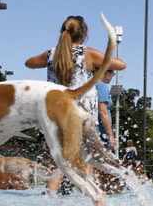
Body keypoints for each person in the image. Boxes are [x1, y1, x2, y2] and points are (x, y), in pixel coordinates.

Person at [25, 15, 125, 194]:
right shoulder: (87, 53)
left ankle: (50, 200)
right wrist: (99, 63)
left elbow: (29, 63)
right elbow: (121, 65)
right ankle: (99, 196)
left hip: (55, 112)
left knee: (60, 160)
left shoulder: (51, 54)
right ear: (84, 34)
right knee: (91, 157)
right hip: (81, 112)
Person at [96, 69, 117, 151]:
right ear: (106, 72)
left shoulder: (92, 84)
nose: (113, 76)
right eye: (112, 73)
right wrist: (110, 135)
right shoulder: (101, 86)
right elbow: (103, 112)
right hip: (100, 134)